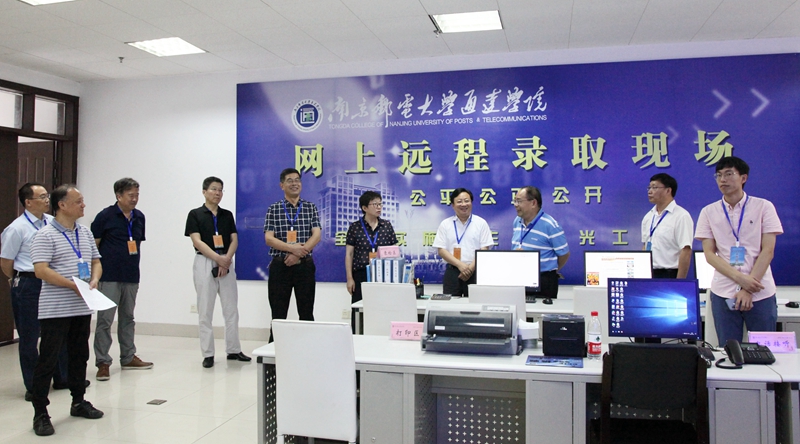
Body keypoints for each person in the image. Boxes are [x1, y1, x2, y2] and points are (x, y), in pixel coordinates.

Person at [30, 184, 104, 436]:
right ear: (61, 205)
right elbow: (41, 270)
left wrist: (94, 279)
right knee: (48, 360)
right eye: (78, 201)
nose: (83, 205)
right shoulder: (45, 235)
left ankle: (78, 401)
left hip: (81, 306)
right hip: (55, 309)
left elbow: (96, 261)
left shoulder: (84, 232)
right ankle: (40, 412)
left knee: (79, 355)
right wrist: (71, 285)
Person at [695, 156, 783, 345]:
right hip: (723, 292)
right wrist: (741, 279)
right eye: (719, 175)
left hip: (760, 291)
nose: (722, 180)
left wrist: (748, 287)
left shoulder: (763, 207)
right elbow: (709, 254)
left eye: (729, 174)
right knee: (729, 349)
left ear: (743, 178)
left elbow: (768, 250)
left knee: (765, 350)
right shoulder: (708, 212)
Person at [1, 183, 70, 402]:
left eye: (47, 195)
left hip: (52, 281)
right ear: (28, 202)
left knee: (57, 331)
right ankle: (34, 385)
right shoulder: (17, 228)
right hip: (29, 283)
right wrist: (17, 279)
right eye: (41, 197)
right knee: (30, 336)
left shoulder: (52, 222)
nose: (47, 199)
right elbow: (6, 262)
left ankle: (62, 377)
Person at [91, 178, 153, 381]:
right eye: (130, 195)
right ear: (118, 196)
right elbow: (94, 246)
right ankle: (103, 362)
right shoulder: (105, 216)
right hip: (109, 276)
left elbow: (137, 244)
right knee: (105, 320)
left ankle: (128, 357)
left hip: (131, 275)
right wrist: (94, 275)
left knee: (128, 318)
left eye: (137, 195)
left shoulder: (139, 217)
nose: (134, 199)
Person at [185, 176, 249, 368]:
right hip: (205, 262)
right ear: (204, 191)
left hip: (226, 262)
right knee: (205, 310)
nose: (218, 193)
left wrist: (226, 259)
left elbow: (234, 239)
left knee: (231, 308)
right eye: (214, 189)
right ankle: (208, 354)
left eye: (220, 190)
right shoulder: (195, 214)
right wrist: (217, 258)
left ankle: (233, 350)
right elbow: (197, 241)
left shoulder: (227, 215)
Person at [264, 168, 321, 342]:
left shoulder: (310, 207)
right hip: (280, 267)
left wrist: (298, 253)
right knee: (278, 313)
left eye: (297, 180)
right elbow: (269, 238)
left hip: (304, 266)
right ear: (282, 185)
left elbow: (317, 235)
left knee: (306, 311)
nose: (294, 183)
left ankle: (307, 349)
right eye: (290, 180)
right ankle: (273, 352)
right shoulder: (274, 209)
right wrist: (292, 249)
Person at [511, 186, 570, 302]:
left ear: (533, 203)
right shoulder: (517, 221)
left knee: (543, 312)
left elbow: (564, 254)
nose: (515, 205)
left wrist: (549, 270)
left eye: (519, 201)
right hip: (520, 278)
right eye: (515, 201)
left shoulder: (550, 225)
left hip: (544, 280)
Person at [431, 188, 494, 297]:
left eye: (466, 201)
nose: (464, 204)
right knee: (451, 305)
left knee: (476, 304)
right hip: (453, 272)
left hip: (475, 272)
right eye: (459, 201)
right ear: (453, 205)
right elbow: (441, 250)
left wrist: (470, 269)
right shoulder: (445, 224)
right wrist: (460, 265)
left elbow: (484, 248)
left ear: (471, 203)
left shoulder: (481, 223)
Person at [345, 191, 398, 303]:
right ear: (364, 208)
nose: (379, 207)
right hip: (361, 274)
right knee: (360, 308)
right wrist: (350, 278)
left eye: (380, 204)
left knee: (383, 307)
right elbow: (349, 254)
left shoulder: (386, 225)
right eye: (375, 204)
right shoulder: (355, 227)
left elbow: (394, 249)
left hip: (383, 274)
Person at [641, 173, 694, 279]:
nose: (650, 191)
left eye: (654, 187)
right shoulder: (648, 216)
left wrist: (679, 283)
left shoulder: (681, 216)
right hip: (649, 274)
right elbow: (645, 246)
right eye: (649, 188)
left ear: (668, 190)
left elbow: (686, 250)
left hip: (670, 274)